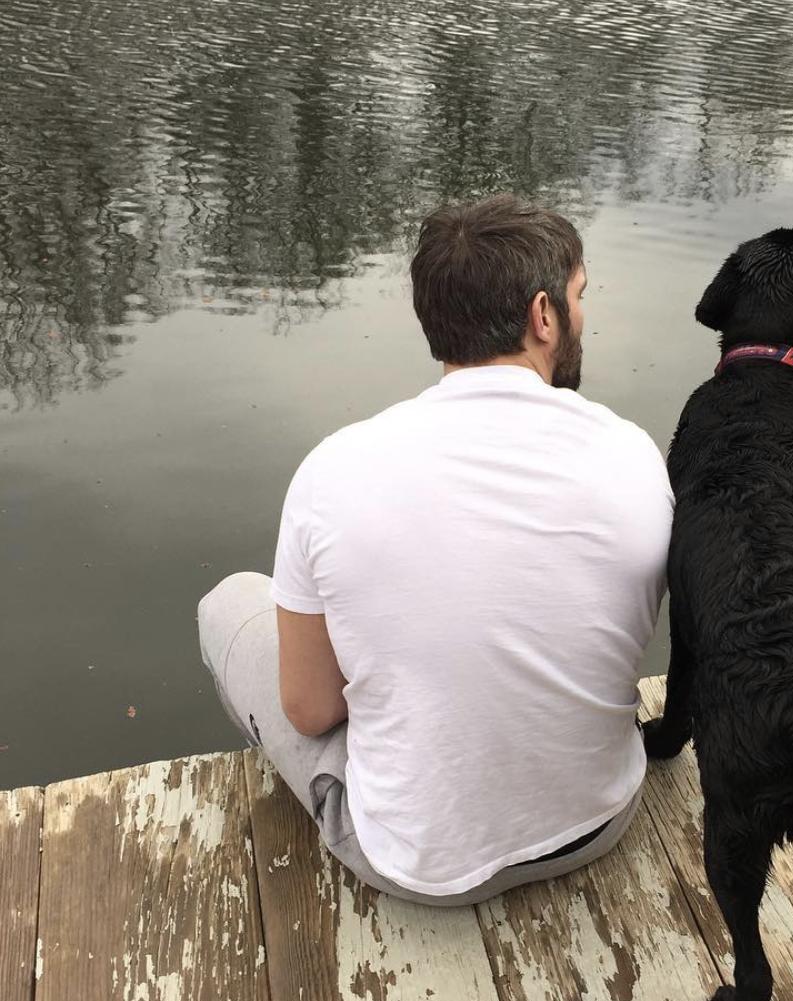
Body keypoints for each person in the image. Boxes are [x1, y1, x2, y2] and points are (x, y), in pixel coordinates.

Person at [198, 194, 673, 905]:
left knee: (230, 601)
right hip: (600, 818)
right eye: (580, 298)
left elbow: (311, 709)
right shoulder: (633, 452)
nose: (583, 317)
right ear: (542, 316)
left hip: (422, 869)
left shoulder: (334, 470)